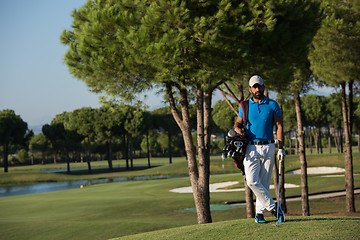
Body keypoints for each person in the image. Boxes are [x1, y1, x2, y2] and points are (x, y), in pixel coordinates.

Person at [234, 75, 286, 223]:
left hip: (269, 146)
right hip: (251, 147)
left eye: (260, 86)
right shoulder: (245, 106)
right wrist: (238, 130)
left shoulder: (273, 104)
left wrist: (281, 147)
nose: (257, 89)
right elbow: (237, 124)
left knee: (264, 182)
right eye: (254, 87)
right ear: (250, 89)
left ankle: (259, 215)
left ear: (263, 87)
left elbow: (279, 126)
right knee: (251, 181)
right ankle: (274, 208)